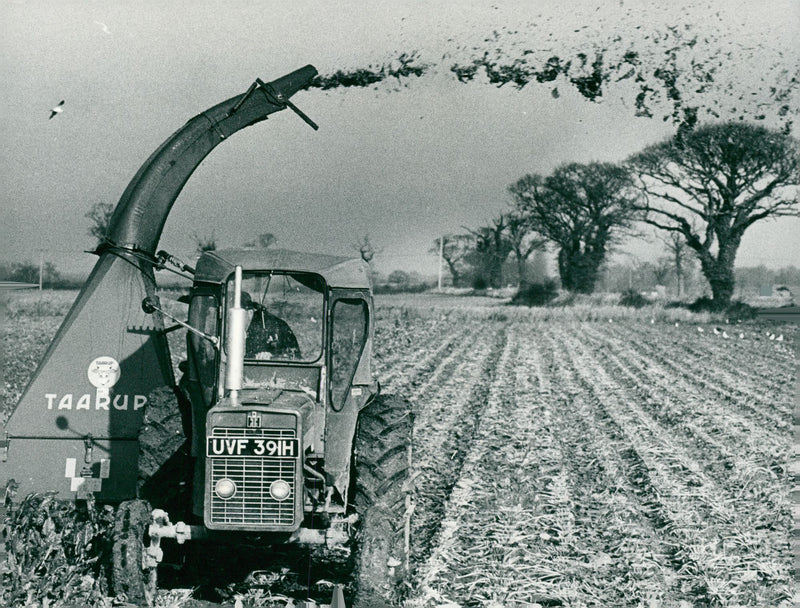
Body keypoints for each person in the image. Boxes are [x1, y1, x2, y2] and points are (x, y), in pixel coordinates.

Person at [241, 292, 301, 360]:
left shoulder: (274, 326)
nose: (229, 319)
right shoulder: (235, 329)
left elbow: (294, 357)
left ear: (250, 313)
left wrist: (271, 356)